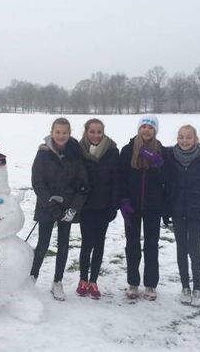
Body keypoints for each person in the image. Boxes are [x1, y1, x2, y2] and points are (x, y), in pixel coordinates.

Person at [163, 125, 200, 307]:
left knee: (194, 251)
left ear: (195, 139)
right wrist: (166, 211)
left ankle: (197, 288)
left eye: (188, 137)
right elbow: (166, 186)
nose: (184, 140)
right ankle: (185, 287)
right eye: (181, 137)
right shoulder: (171, 158)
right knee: (181, 249)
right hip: (177, 211)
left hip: (197, 211)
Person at [30, 117, 88, 301]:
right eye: (58, 132)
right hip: (47, 206)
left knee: (63, 245)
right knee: (42, 245)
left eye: (64, 132)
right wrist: (52, 207)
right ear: (52, 132)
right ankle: (32, 278)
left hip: (68, 208)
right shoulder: (43, 153)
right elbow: (38, 183)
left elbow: (83, 185)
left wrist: (73, 209)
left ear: (69, 133)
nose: (61, 136)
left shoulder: (76, 153)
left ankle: (57, 281)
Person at [118, 114, 165, 301]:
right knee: (132, 245)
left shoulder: (161, 150)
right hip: (132, 206)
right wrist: (123, 200)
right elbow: (120, 177)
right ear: (139, 129)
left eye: (151, 127)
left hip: (153, 207)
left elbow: (166, 179)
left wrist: (159, 164)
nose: (147, 130)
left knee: (151, 245)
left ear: (155, 131)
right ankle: (133, 282)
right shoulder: (128, 150)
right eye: (144, 126)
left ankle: (151, 284)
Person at [76, 119, 120, 299]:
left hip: (104, 206)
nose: (95, 135)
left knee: (99, 243)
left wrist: (114, 205)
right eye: (92, 131)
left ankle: (93, 280)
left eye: (99, 132)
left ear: (103, 132)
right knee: (86, 243)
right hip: (86, 206)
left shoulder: (112, 151)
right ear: (86, 132)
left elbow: (117, 180)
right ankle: (82, 279)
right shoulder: (77, 149)